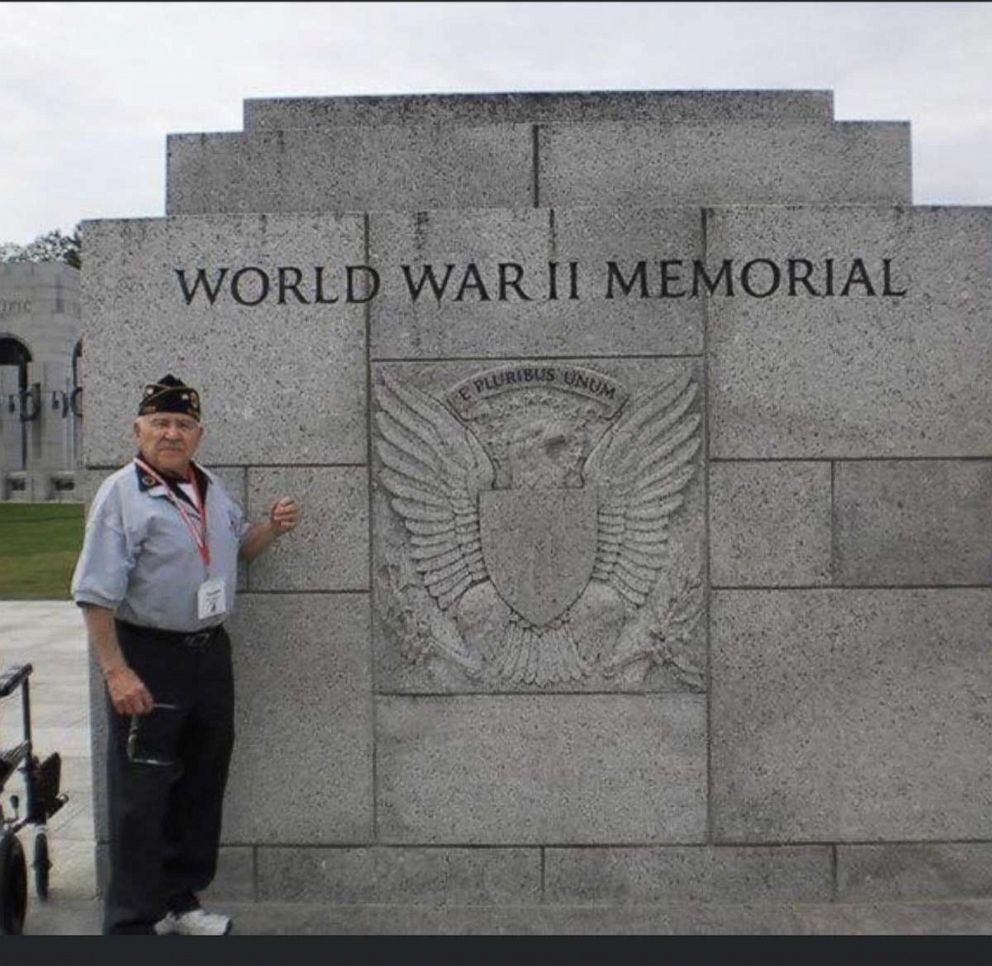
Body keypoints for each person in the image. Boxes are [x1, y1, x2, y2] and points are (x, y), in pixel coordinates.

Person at [71, 375, 300, 935]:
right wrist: (116, 670)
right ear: (138, 430)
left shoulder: (210, 488)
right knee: (141, 793)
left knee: (200, 782)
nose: (172, 433)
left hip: (207, 655)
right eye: (160, 423)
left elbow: (236, 545)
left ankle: (179, 903)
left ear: (199, 435)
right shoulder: (121, 495)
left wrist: (270, 528)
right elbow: (94, 595)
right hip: (148, 656)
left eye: (183, 425)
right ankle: (130, 923)